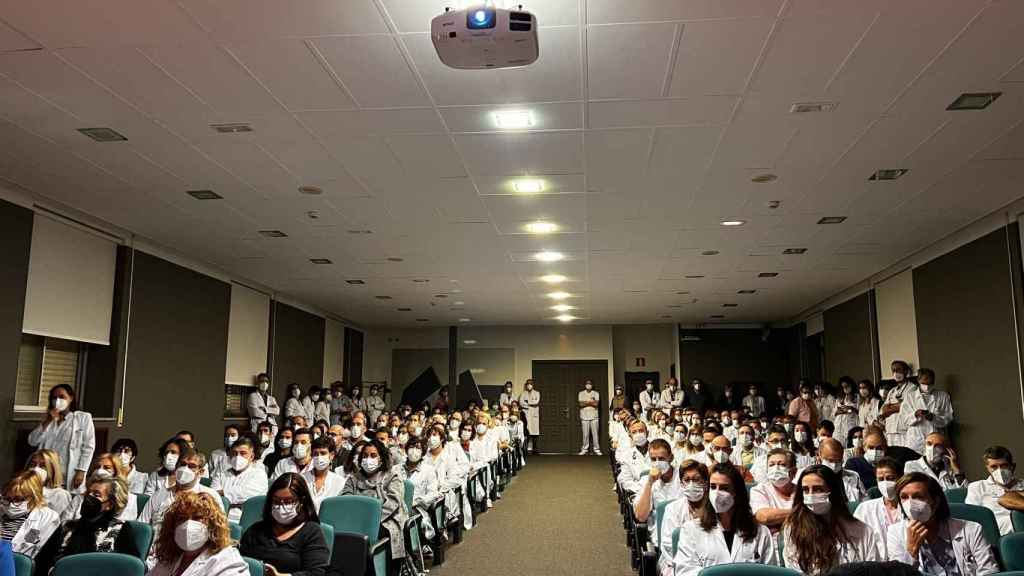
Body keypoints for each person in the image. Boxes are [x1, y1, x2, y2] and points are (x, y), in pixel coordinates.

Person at [887, 472, 999, 574]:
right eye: (904, 497)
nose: (910, 504)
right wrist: (911, 552)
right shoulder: (895, 533)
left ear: (935, 502)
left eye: (918, 497)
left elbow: (989, 571)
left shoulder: (971, 529)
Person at [675, 462, 776, 575]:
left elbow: (770, 572)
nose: (717, 493)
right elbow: (685, 571)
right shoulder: (691, 530)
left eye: (724, 488)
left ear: (736, 492)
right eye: (713, 487)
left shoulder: (761, 532)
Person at [781, 465, 882, 574]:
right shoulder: (793, 529)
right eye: (805, 490)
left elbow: (872, 571)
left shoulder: (863, 531)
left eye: (818, 489)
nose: (811, 495)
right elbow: (795, 570)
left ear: (833, 492)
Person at [34, 476, 136, 575]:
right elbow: (41, 563)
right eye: (88, 493)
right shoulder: (68, 526)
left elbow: (132, 567)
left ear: (109, 505)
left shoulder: (120, 529)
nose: (89, 497)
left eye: (96, 495)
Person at [239, 473, 330, 576]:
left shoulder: (312, 532)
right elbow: (240, 562)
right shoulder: (256, 530)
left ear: (301, 501)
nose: (281, 506)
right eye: (276, 501)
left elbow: (317, 573)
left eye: (288, 502)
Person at [148, 492, 248, 576]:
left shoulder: (228, 562)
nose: (188, 524)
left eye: (197, 517)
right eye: (182, 518)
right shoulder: (171, 557)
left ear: (212, 524)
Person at [343, 440, 407, 561]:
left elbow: (392, 503)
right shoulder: (353, 479)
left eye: (373, 455)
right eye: (365, 456)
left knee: (380, 533)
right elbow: (346, 500)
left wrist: (369, 521)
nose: (368, 459)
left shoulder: (392, 476)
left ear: (381, 459)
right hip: (357, 521)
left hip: (385, 520)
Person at [27, 384, 95, 492]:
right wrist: (48, 420)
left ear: (71, 398)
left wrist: (81, 471)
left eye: (62, 397)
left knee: (66, 500)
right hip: (47, 470)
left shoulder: (82, 418)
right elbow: (32, 441)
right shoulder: (49, 421)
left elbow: (88, 447)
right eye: (54, 397)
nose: (57, 400)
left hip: (69, 471)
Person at [140, 447, 224, 532]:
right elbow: (142, 525)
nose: (185, 469)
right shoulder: (160, 495)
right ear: (176, 467)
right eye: (182, 464)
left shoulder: (211, 496)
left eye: (192, 466)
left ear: (201, 472)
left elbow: (219, 531)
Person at [659, 460, 708, 576]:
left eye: (696, 479)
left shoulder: (714, 508)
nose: (691, 484)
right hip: (675, 562)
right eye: (687, 480)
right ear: (681, 484)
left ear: (705, 483)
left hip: (709, 563)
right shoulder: (672, 509)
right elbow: (668, 546)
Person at [966, 445, 1024, 536]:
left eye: (1004, 465)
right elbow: (972, 519)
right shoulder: (977, 487)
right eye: (994, 467)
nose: (999, 470)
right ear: (988, 468)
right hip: (996, 538)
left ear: (1013, 466)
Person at [0, 471, 60, 558]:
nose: (11, 504)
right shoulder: (2, 508)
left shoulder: (47, 517)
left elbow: (36, 553)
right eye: (8, 499)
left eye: (18, 499)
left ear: (34, 497)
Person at [853, 456, 904, 557]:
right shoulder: (865, 509)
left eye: (890, 478)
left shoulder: (910, 507)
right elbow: (856, 543)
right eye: (881, 479)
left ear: (901, 478)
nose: (885, 483)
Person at [65, 453, 140, 521]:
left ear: (117, 472)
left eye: (107, 468)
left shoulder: (130, 500)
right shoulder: (79, 498)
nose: (99, 471)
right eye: (97, 467)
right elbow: (64, 524)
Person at [211, 435, 268, 523]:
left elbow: (247, 494)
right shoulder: (221, 473)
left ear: (252, 456)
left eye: (243, 453)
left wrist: (222, 492)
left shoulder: (259, 474)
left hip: (246, 520)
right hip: (219, 517)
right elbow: (213, 494)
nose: (238, 457)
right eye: (234, 453)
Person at [844, 427, 920, 490]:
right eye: (871, 447)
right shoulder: (853, 464)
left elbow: (922, 462)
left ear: (886, 446)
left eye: (880, 448)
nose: (875, 451)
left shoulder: (901, 454)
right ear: (864, 447)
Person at [899, 368, 954, 455]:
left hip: (936, 440)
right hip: (916, 443)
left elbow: (948, 418)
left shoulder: (943, 396)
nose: (927, 386)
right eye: (924, 383)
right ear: (918, 380)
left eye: (930, 383)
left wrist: (934, 418)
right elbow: (903, 420)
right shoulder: (910, 397)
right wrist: (915, 415)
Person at [632, 439, 682, 529]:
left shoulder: (682, 477)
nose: (657, 462)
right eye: (653, 459)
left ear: (671, 458)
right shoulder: (645, 481)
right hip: (658, 530)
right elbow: (640, 516)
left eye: (661, 458)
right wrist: (649, 484)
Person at [402, 437, 441, 541]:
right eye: (411, 447)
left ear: (423, 452)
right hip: (398, 507)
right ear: (406, 450)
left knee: (410, 522)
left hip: (417, 508)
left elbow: (433, 493)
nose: (414, 450)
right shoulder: (396, 469)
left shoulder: (428, 470)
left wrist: (417, 501)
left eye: (418, 448)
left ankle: (417, 547)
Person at [751, 448, 797, 534]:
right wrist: (801, 513)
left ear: (794, 471)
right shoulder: (759, 490)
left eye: (782, 465)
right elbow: (764, 517)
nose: (776, 469)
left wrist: (777, 520)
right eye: (771, 465)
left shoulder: (803, 490)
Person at [815, 438, 868, 503]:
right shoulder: (810, 478)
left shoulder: (854, 476)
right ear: (820, 455)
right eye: (830, 460)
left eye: (838, 460)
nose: (834, 465)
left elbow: (865, 501)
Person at [25, 450, 73, 520]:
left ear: (52, 469)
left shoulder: (60, 495)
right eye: (33, 464)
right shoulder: (19, 488)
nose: (36, 469)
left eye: (42, 466)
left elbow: (55, 524)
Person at [301, 437, 346, 512]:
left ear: (332, 455)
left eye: (323, 453)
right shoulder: (302, 479)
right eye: (315, 454)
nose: (319, 457)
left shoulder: (340, 482)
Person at [878, 361, 916, 448]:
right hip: (890, 430)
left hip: (904, 431)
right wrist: (896, 406)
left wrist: (891, 408)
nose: (896, 373)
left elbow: (906, 406)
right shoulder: (892, 391)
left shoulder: (912, 388)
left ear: (906, 371)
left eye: (899, 370)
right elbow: (884, 409)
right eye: (893, 370)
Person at [832, 377, 859, 445]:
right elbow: (833, 414)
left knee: (850, 446)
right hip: (838, 427)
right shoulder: (839, 399)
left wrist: (851, 409)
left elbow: (860, 412)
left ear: (851, 385)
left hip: (850, 425)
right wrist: (838, 411)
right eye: (843, 387)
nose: (845, 388)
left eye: (847, 386)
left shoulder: (857, 397)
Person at [578, 379, 601, 456]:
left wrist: (586, 402)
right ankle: (584, 449)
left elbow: (596, 404)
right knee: (585, 434)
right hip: (584, 416)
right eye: (587, 384)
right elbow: (581, 404)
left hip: (594, 416)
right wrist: (590, 402)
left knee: (595, 434)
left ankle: (597, 449)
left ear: (592, 385)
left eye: (590, 384)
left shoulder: (596, 393)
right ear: (585, 385)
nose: (589, 385)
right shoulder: (581, 393)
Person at [518, 380, 540, 455]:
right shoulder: (523, 394)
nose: (529, 385)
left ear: (533, 385)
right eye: (528, 384)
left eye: (530, 384)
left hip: (534, 416)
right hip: (526, 415)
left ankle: (535, 450)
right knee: (526, 432)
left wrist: (527, 403)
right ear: (526, 385)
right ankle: (525, 450)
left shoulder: (537, 393)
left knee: (535, 433)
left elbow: (537, 402)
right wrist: (531, 404)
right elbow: (521, 403)